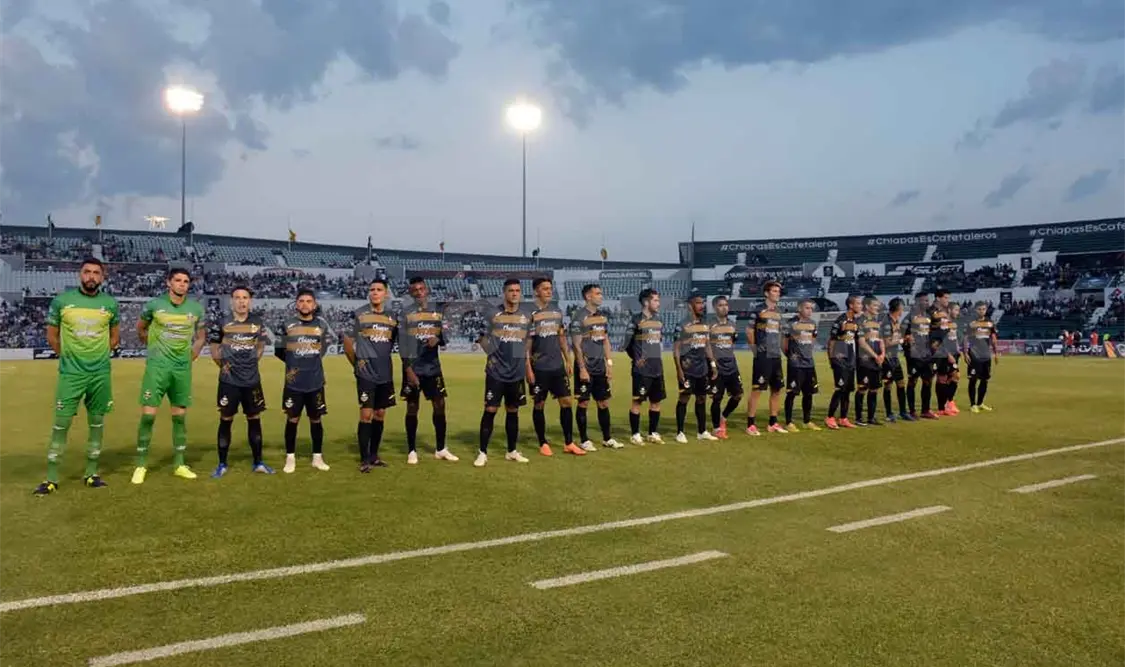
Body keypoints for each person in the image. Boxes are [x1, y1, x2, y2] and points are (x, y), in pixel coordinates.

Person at [34, 258, 120, 495]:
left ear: (102, 277)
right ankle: (51, 478)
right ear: (79, 275)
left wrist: (101, 355)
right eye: (87, 272)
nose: (91, 276)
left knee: (97, 423)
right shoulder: (62, 302)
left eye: (96, 273)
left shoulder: (110, 303)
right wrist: (67, 357)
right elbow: (52, 336)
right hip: (71, 374)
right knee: (61, 424)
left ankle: (91, 474)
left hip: (100, 374)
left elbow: (114, 338)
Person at [132, 267, 206, 484]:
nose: (182, 284)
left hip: (181, 369)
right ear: (169, 283)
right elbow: (140, 329)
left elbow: (201, 337)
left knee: (179, 417)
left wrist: (192, 355)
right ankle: (141, 465)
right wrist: (153, 349)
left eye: (185, 281)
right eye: (178, 280)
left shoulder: (195, 309)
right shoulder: (155, 305)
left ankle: (179, 464)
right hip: (157, 368)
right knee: (148, 416)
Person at [207, 285, 272, 478]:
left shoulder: (257, 322)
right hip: (229, 382)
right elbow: (214, 350)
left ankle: (258, 462)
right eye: (237, 297)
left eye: (245, 297)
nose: (241, 301)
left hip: (252, 381)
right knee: (226, 420)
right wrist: (225, 367)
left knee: (254, 419)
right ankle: (222, 464)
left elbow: (260, 346)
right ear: (231, 301)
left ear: (250, 301)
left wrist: (252, 362)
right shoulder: (221, 322)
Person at [475, 279, 533, 467]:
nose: (514, 294)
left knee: (513, 410)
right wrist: (492, 355)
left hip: (516, 372)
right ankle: (482, 452)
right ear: (504, 293)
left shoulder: (525, 315)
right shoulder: (493, 313)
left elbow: (527, 342)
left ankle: (512, 451)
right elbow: (481, 337)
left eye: (517, 290)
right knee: (490, 410)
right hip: (496, 371)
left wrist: (526, 365)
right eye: (511, 290)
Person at [400, 277, 457, 462]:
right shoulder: (406, 313)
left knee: (440, 405)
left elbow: (444, 337)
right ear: (411, 293)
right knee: (412, 407)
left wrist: (437, 339)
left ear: (427, 290)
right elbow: (401, 344)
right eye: (414, 290)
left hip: (433, 367)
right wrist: (408, 369)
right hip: (413, 367)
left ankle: (441, 448)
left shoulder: (437, 312)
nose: (418, 292)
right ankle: (411, 451)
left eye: (421, 289)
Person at [275, 289, 333, 473]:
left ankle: (317, 457)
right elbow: (279, 350)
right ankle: (290, 458)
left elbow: (324, 347)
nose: (305, 304)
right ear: (296, 304)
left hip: (315, 381)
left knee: (316, 419)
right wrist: (294, 363)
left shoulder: (322, 325)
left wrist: (310, 359)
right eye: (301, 301)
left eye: (309, 301)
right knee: (292, 419)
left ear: (314, 305)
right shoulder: (287, 324)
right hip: (294, 382)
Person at [343, 278, 398, 470]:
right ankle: (364, 459)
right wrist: (357, 364)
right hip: (366, 374)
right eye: (372, 289)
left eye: (379, 289)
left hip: (385, 373)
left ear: (386, 294)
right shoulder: (359, 314)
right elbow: (348, 341)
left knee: (380, 414)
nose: (375, 292)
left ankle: (374, 455)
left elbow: (396, 343)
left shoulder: (392, 318)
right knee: (366, 414)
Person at [527, 277, 584, 456]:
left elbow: (561, 337)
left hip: (557, 366)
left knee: (566, 401)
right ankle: (542, 442)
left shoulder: (557, 311)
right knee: (539, 404)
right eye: (545, 289)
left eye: (550, 288)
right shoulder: (529, 313)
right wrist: (528, 367)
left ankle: (569, 442)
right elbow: (526, 344)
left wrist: (567, 359)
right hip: (539, 367)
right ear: (536, 291)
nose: (549, 291)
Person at [569, 284, 622, 450]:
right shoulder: (578, 317)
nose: (601, 296)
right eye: (598, 293)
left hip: (600, 367)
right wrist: (582, 368)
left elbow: (605, 340)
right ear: (588, 296)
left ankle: (607, 438)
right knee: (583, 403)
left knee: (603, 403)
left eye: (601, 293)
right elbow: (576, 345)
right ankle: (584, 440)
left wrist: (609, 363)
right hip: (586, 366)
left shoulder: (602, 317)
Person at [672, 293, 718, 442]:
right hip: (687, 368)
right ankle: (680, 432)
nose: (702, 305)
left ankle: (702, 431)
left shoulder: (705, 324)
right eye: (698, 303)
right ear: (690, 306)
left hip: (702, 368)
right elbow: (677, 348)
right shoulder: (682, 325)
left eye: (702, 302)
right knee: (684, 397)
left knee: (701, 398)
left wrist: (712, 364)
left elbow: (707, 345)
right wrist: (679, 369)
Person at [624, 288, 666, 445]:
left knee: (656, 401)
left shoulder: (659, 320)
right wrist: (636, 358)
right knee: (638, 401)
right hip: (642, 370)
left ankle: (652, 433)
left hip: (657, 368)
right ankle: (635, 435)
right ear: (646, 302)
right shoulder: (635, 321)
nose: (658, 303)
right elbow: (627, 344)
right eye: (655, 300)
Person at [745, 281, 786, 435]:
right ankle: (750, 424)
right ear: (766, 293)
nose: (778, 293)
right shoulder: (757, 310)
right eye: (774, 291)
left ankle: (773, 423)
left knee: (776, 389)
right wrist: (755, 350)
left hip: (776, 355)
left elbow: (779, 333)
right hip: (763, 355)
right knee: (757, 389)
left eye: (779, 291)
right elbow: (749, 331)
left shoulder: (778, 312)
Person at [782, 299, 820, 431]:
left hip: (809, 363)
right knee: (792, 393)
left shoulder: (813, 324)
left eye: (811, 308)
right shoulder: (791, 323)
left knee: (808, 393)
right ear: (800, 309)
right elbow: (784, 344)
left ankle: (807, 420)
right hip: (796, 364)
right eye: (807, 308)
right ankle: (788, 422)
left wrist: (807, 352)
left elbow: (813, 340)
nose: (810, 311)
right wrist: (790, 356)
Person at [708, 295, 743, 439]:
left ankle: (724, 417)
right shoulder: (709, 325)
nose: (724, 307)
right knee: (717, 398)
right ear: (715, 307)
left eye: (726, 305)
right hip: (717, 367)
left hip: (732, 365)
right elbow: (707, 345)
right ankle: (717, 428)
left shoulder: (732, 325)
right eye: (721, 305)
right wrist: (712, 364)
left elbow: (732, 343)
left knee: (738, 395)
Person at [824, 294, 861, 430]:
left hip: (850, 360)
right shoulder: (841, 321)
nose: (860, 306)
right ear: (851, 305)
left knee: (848, 390)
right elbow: (831, 341)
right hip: (839, 360)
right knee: (840, 389)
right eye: (858, 303)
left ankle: (843, 418)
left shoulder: (855, 322)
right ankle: (829, 417)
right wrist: (832, 359)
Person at [903, 292, 938, 419]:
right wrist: (907, 338)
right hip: (914, 356)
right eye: (924, 301)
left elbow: (934, 333)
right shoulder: (910, 317)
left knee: (927, 382)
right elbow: (901, 333)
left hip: (927, 355)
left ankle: (925, 410)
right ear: (917, 302)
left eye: (928, 301)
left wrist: (934, 343)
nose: (927, 303)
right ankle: (912, 411)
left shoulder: (929, 316)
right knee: (912, 381)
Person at [854, 296, 885, 426]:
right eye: (875, 306)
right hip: (864, 360)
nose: (877, 308)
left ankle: (871, 417)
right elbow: (861, 343)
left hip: (877, 360)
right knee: (862, 388)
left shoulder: (876, 322)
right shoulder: (860, 321)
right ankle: (859, 418)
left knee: (874, 389)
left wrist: (882, 353)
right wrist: (875, 355)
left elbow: (880, 339)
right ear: (867, 307)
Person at [880, 297, 911, 422]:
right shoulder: (887, 322)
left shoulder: (895, 321)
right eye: (902, 307)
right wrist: (902, 340)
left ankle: (903, 411)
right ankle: (889, 413)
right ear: (898, 308)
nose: (902, 310)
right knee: (888, 385)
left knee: (901, 383)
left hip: (894, 357)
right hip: (887, 358)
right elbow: (887, 343)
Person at [966, 301, 999, 413]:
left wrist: (995, 352)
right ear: (975, 310)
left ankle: (980, 403)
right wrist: (965, 353)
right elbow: (965, 338)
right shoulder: (971, 323)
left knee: (985, 380)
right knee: (973, 379)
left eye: (984, 309)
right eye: (979, 309)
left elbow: (993, 337)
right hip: (974, 354)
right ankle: (972, 404)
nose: (982, 311)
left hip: (986, 355)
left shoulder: (989, 322)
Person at [929, 290, 955, 417]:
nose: (947, 300)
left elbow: (946, 332)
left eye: (948, 298)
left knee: (943, 378)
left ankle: (942, 408)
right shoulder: (930, 311)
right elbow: (930, 334)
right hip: (934, 350)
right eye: (945, 297)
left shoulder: (945, 313)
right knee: (928, 379)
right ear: (938, 298)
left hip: (944, 349)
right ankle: (926, 408)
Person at [939, 302, 962, 415]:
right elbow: (941, 341)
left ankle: (948, 402)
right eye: (956, 310)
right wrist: (948, 354)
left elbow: (955, 338)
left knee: (953, 378)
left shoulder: (954, 323)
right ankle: (946, 404)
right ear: (949, 310)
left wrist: (958, 348)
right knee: (951, 377)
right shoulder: (944, 323)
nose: (958, 312)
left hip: (954, 354)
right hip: (946, 355)